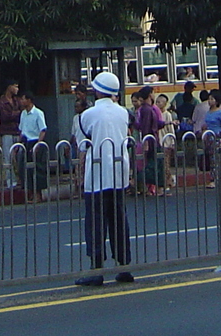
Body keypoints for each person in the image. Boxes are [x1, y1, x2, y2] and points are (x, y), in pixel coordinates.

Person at [73, 71, 134, 287]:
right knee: (119, 219)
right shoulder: (124, 112)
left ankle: (96, 268)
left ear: (97, 91)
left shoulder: (88, 114)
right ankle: (123, 265)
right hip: (119, 171)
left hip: (97, 173)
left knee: (96, 221)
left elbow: (85, 137)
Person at [132, 86, 166, 195]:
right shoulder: (147, 109)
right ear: (150, 95)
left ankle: (148, 186)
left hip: (151, 138)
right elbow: (146, 126)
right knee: (154, 164)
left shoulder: (147, 108)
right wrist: (146, 141)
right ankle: (141, 181)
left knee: (153, 163)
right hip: (151, 139)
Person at [18, 93, 49, 199]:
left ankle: (38, 194)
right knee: (25, 168)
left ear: (29, 100)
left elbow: (43, 130)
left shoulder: (38, 113)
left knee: (37, 168)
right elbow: (22, 131)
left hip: (35, 141)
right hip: (26, 142)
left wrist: (38, 145)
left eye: (23, 99)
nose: (21, 101)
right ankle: (30, 192)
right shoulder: (23, 114)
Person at [0, 82, 24, 187]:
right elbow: (4, 117)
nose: (17, 88)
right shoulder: (2, 102)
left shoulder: (17, 100)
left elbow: (22, 112)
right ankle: (10, 181)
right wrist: (16, 113)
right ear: (9, 87)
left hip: (17, 131)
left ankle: (20, 179)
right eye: (15, 86)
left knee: (20, 156)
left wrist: (14, 114)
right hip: (7, 132)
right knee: (7, 158)